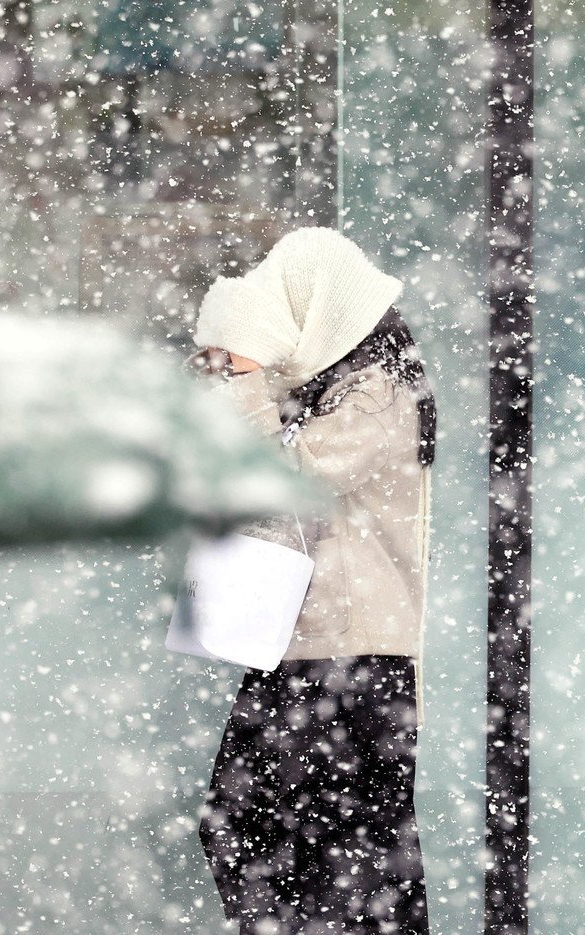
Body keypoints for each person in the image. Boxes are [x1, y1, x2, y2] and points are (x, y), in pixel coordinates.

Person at [188, 227, 436, 934]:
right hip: (303, 647)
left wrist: (239, 378)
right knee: (288, 840)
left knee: (346, 857)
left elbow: (281, 482)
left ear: (326, 309)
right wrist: (227, 376)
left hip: (355, 655)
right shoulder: (317, 393)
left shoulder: (375, 394)